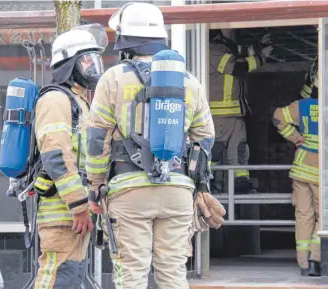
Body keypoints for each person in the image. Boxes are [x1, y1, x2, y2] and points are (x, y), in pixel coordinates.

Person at [85, 2, 224, 289]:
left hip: (128, 190)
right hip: (178, 190)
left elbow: (97, 138)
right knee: (173, 271)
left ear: (125, 38)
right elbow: (206, 137)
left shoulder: (112, 78)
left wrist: (96, 184)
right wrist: (198, 184)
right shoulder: (189, 80)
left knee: (132, 272)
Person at [33, 27, 106, 288]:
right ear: (69, 63)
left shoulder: (80, 101)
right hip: (63, 212)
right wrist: (78, 205)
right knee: (56, 276)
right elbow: (56, 156)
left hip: (76, 213)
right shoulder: (55, 99)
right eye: (86, 60)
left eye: (94, 60)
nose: (93, 67)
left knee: (71, 277)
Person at [208, 29, 273, 256]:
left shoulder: (225, 47)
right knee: (216, 155)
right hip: (219, 115)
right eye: (228, 28)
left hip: (233, 113)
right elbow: (236, 67)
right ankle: (212, 184)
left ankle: (240, 184)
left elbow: (240, 53)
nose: (232, 31)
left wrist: (258, 44)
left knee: (239, 152)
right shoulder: (214, 49)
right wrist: (262, 58)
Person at [272, 57, 320, 277]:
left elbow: (277, 117)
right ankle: (315, 259)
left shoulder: (303, 106)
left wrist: (295, 138)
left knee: (303, 215)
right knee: (325, 217)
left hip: (301, 169)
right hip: (323, 171)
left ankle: (303, 263)